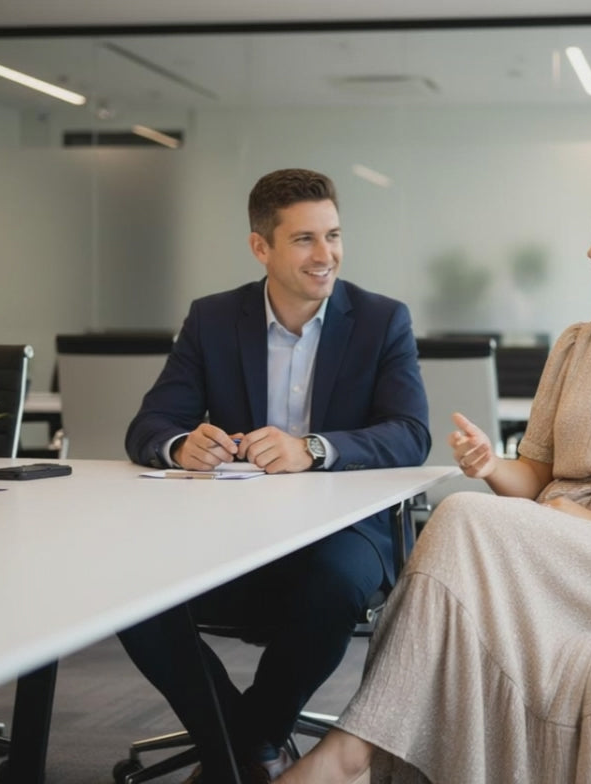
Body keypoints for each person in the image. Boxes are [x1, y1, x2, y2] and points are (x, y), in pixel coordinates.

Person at [278, 172, 591, 784]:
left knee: (459, 519)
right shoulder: (576, 345)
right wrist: (491, 466)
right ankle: (357, 751)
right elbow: (537, 474)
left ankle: (353, 753)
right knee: (465, 517)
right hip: (553, 543)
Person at [118, 168, 430, 784]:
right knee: (127, 591)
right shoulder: (212, 320)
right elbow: (149, 426)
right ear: (261, 247)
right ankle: (248, 749)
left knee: (333, 582)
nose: (326, 255)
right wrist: (184, 446)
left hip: (343, 534)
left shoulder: (380, 319)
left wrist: (312, 448)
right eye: (305, 240)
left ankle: (240, 746)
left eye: (334, 236)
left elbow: (410, 433)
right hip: (233, 533)